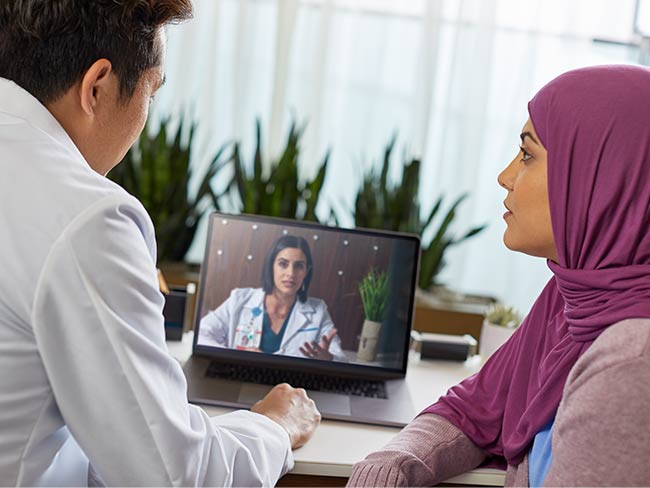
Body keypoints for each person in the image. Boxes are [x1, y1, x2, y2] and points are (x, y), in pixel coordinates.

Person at [0, 1, 320, 486]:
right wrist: (273, 425)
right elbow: (170, 474)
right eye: (152, 91)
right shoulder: (88, 219)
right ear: (98, 87)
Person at [347, 64, 650, 487]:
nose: (505, 176)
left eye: (527, 154)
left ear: (600, 177)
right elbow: (476, 406)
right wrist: (395, 460)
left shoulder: (632, 361)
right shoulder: (573, 297)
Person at [199, 235, 347, 361]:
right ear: (271, 266)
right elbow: (202, 334)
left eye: (299, 266)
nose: (290, 273)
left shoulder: (318, 310)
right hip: (241, 376)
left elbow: (341, 357)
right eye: (283, 264)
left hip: (293, 387)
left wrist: (327, 358)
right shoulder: (240, 299)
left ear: (306, 272)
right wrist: (235, 355)